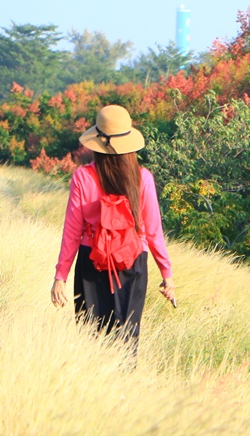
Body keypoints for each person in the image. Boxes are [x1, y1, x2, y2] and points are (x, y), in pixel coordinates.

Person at [50, 104, 176, 350]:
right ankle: (124, 388)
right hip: (133, 263)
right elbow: (153, 232)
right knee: (127, 341)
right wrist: (167, 274)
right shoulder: (143, 178)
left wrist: (60, 276)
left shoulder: (82, 177)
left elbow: (72, 233)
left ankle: (97, 388)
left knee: (91, 342)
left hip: (91, 262)